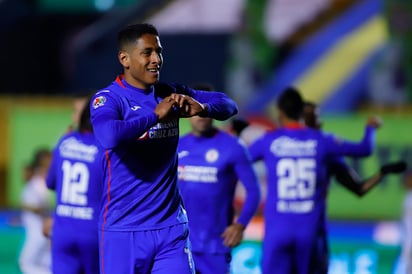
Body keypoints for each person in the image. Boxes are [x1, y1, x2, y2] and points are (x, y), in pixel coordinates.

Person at [89, 23, 238, 274]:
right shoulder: (109, 99)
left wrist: (201, 107)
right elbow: (108, 136)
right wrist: (155, 116)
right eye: (147, 52)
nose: (156, 59)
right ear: (124, 58)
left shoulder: (170, 93)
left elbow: (228, 104)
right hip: (123, 230)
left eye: (159, 51)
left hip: (171, 228)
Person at [248, 86, 381, 274]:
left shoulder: (269, 141)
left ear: (280, 112)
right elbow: (365, 149)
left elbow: (238, 160)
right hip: (309, 233)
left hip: (277, 231)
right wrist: (370, 128)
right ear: (302, 112)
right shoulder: (322, 141)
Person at [302, 101, 407, 272]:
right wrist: (370, 129)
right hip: (313, 232)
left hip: (282, 229)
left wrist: (382, 172)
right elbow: (365, 150)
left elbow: (359, 188)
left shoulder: (277, 144)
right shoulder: (325, 144)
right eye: (314, 116)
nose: (319, 121)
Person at [177, 83, 260, 274]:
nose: (200, 115)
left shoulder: (232, 147)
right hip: (179, 245)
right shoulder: (177, 146)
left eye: (204, 108)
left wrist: (241, 225)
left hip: (215, 246)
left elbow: (253, 190)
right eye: (195, 108)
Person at [45, 97, 104, 274]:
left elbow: (50, 182)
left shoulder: (65, 142)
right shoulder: (105, 150)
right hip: (93, 233)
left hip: (62, 231)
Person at [19, 148, 53, 274]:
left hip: (38, 232)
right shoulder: (34, 184)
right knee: (44, 263)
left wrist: (26, 206)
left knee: (25, 263)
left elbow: (42, 207)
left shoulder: (38, 182)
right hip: (38, 231)